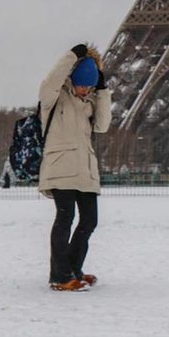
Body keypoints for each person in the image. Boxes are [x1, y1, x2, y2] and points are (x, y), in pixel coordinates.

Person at [38, 44, 112, 291]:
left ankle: (73, 269)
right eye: (82, 85)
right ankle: (60, 276)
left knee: (90, 221)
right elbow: (50, 81)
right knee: (65, 218)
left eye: (90, 86)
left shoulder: (90, 101)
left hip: (85, 169)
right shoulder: (55, 97)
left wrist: (103, 91)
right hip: (61, 167)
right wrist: (72, 56)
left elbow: (102, 126)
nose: (85, 90)